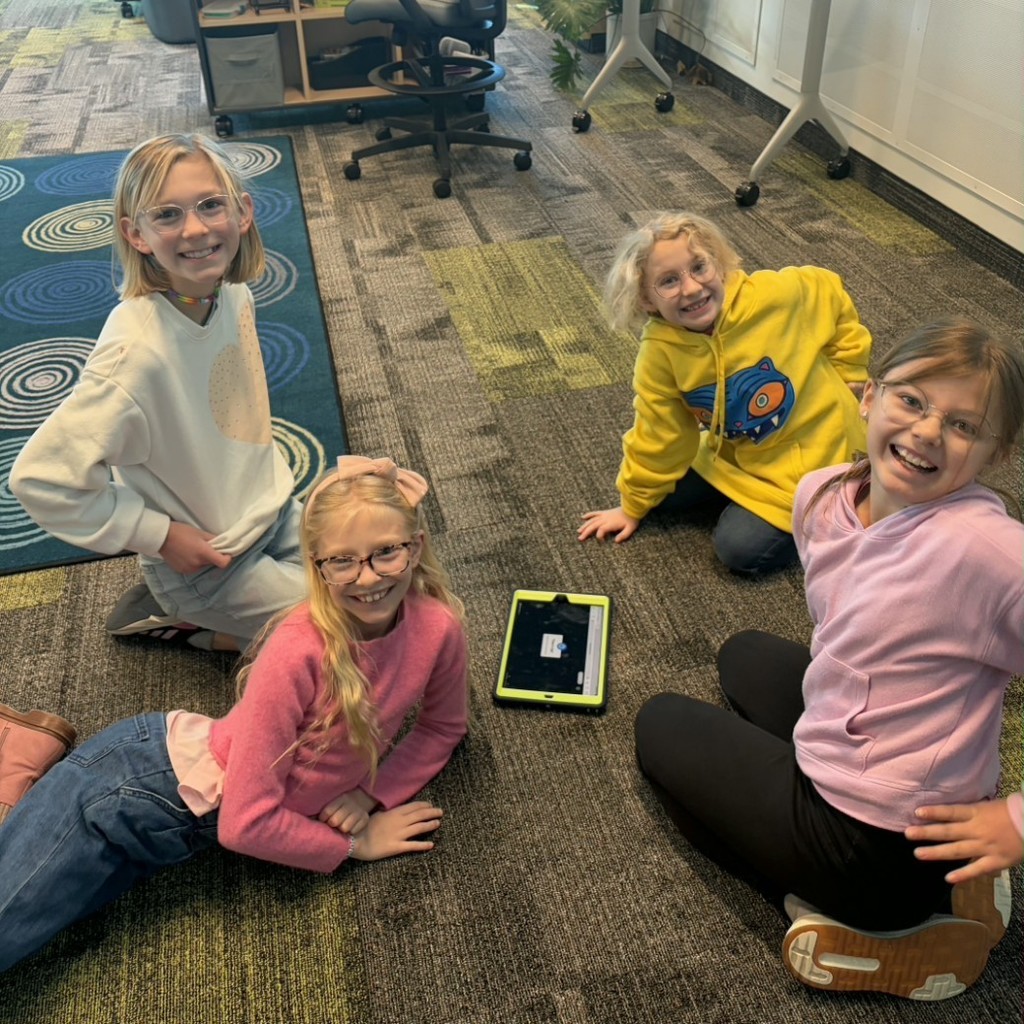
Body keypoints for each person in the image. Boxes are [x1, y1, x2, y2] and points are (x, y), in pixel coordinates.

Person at [633, 318, 1024, 999]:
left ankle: (880, 925)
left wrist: (1017, 822)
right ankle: (950, 882)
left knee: (659, 726)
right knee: (743, 655)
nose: (930, 431)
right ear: (868, 397)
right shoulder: (826, 494)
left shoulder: (990, 554)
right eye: (913, 401)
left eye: (964, 426)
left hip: (877, 847)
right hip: (915, 790)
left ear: (996, 454)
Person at [0, 456, 469, 973]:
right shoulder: (297, 650)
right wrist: (353, 843)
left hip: (177, 826)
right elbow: (245, 825)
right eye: (343, 561)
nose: (368, 578)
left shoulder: (438, 626)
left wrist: (369, 793)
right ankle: (24, 756)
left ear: (416, 547)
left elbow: (443, 727)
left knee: (33, 921)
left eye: (386, 553)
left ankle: (26, 761)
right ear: (316, 566)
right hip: (134, 791)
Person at [10, 133, 303, 651]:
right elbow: (41, 480)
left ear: (243, 212)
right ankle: (191, 623)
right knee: (350, 636)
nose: (195, 229)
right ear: (136, 233)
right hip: (209, 563)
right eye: (167, 215)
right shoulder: (136, 355)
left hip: (271, 509)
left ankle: (233, 620)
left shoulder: (231, 293)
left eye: (211, 205)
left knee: (389, 576)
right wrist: (159, 536)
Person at [579, 212, 872, 575]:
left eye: (699, 267)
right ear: (645, 300)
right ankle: (746, 495)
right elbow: (659, 433)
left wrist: (850, 368)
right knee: (659, 499)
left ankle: (835, 502)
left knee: (740, 551)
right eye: (668, 281)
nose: (691, 288)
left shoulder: (774, 295)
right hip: (737, 451)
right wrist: (632, 506)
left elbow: (829, 291)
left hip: (815, 450)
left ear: (718, 265)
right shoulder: (660, 352)